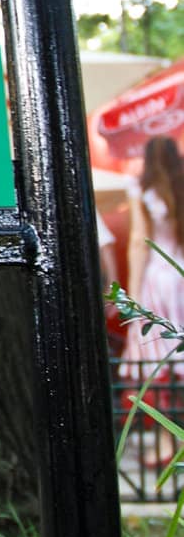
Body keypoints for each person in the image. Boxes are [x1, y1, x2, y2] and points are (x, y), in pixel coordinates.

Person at [121, 136, 184, 466]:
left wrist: (131, 297)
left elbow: (137, 243)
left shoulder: (141, 189)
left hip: (157, 279)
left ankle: (165, 441)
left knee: (158, 360)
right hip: (182, 275)